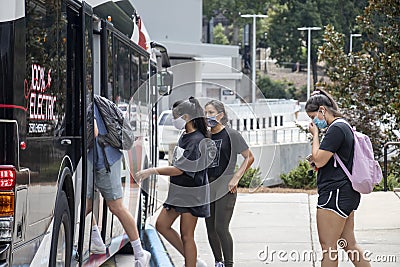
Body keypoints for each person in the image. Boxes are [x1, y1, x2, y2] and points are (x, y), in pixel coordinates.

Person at [135, 97, 213, 267]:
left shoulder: (197, 141)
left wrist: (151, 170)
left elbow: (180, 169)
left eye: (175, 116)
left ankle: (190, 263)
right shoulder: (185, 135)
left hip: (192, 193)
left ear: (186, 117)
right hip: (180, 192)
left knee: (187, 235)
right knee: (162, 225)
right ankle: (192, 260)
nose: (173, 119)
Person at [305, 89, 371, 267]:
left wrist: (315, 135)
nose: (313, 121)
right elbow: (329, 160)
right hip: (345, 192)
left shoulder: (336, 129)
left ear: (322, 109)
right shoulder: (343, 125)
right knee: (349, 243)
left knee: (328, 247)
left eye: (313, 116)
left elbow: (319, 158)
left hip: (334, 193)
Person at [86, 98, 151, 266]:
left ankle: (139, 252)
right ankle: (97, 241)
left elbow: (92, 132)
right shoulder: (92, 100)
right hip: (94, 160)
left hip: (104, 160)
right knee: (85, 203)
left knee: (116, 206)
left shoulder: (89, 103)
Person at [204, 100, 254, 267]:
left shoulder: (231, 135)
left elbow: (249, 157)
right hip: (208, 185)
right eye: (206, 113)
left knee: (221, 227)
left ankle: (229, 264)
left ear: (221, 115)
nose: (208, 116)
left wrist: (236, 178)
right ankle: (218, 262)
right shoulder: (205, 135)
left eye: (211, 112)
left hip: (225, 185)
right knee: (210, 228)